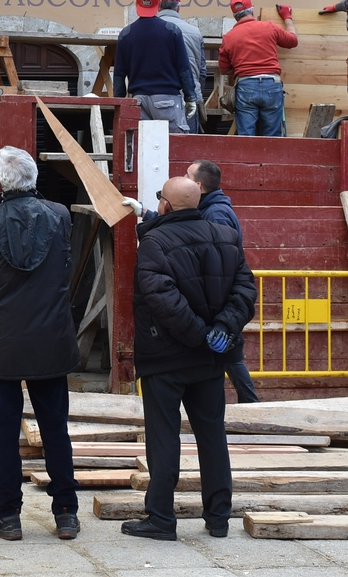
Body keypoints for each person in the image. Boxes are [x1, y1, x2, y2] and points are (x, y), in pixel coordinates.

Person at [122, 177, 255, 541]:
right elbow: (246, 289)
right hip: (211, 358)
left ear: (166, 204)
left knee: (163, 437)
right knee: (212, 435)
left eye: (159, 198)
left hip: (166, 356)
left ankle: (162, 518)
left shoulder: (154, 242)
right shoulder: (225, 237)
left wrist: (199, 334)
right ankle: (218, 518)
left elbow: (161, 299)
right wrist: (220, 331)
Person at [0, 147, 81, 542]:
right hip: (50, 336)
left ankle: (8, 514)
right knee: (55, 428)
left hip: (1, 340)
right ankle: (66, 512)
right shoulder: (60, 215)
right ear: (34, 179)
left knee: (2, 429)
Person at [186, 160, 259, 404]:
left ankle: (251, 409)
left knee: (228, 351)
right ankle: (250, 407)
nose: (183, 179)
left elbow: (219, 258)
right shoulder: (210, 208)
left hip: (220, 296)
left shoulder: (215, 213)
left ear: (198, 185)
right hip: (220, 294)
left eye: (187, 175)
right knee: (228, 354)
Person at [114, 0, 197, 132]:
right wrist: (190, 97)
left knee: (142, 149)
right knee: (174, 149)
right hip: (168, 100)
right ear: (158, 4)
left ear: (137, 4)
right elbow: (184, 68)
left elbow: (119, 74)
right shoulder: (171, 31)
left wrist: (119, 102)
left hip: (138, 101)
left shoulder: (125, 34)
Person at [217, 0, 298, 137]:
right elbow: (293, 41)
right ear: (252, 10)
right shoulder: (269, 27)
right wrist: (287, 17)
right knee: (272, 138)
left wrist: (242, 66)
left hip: (245, 86)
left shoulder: (229, 37)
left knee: (246, 138)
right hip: (272, 85)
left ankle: (248, 160)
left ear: (235, 16)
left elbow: (224, 69)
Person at [157, 0, 207, 133]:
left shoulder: (150, 30)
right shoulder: (195, 32)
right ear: (178, 8)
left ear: (159, 6)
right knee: (188, 147)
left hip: (157, 97)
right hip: (188, 97)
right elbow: (202, 70)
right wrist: (197, 92)